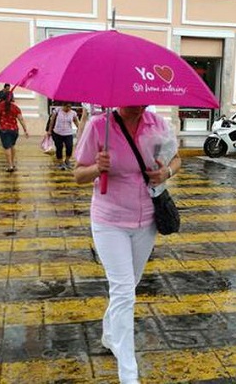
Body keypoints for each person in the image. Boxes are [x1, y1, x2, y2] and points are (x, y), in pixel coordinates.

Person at [74, 105, 181, 384]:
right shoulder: (99, 126)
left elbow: (176, 159)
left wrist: (166, 172)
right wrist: (98, 167)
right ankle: (129, 374)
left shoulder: (157, 123)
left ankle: (110, 333)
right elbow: (78, 175)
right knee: (124, 293)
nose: (139, 102)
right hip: (109, 222)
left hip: (147, 221)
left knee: (128, 287)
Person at [0, 93, 29, 172]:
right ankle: (12, 163)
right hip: (14, 130)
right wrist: (25, 130)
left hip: (4, 129)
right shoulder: (15, 108)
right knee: (12, 145)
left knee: (7, 147)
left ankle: (10, 166)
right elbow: (21, 119)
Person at [48, 102, 79, 169]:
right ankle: (61, 163)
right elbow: (52, 121)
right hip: (57, 133)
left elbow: (76, 122)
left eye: (70, 107)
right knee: (59, 148)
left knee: (69, 147)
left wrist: (80, 129)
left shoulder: (73, 113)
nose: (68, 108)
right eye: (67, 106)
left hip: (68, 133)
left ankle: (67, 161)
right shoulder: (57, 110)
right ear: (63, 105)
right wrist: (49, 131)